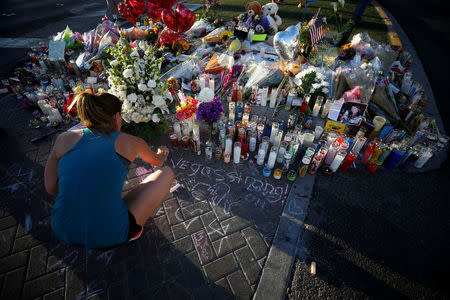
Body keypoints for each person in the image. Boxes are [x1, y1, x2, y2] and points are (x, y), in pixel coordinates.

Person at [44, 92, 175, 249]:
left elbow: (51, 188)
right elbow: (158, 162)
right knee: (167, 173)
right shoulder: (130, 142)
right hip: (111, 233)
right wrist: (161, 151)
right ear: (117, 116)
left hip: (63, 229)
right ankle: (132, 232)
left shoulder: (64, 138)